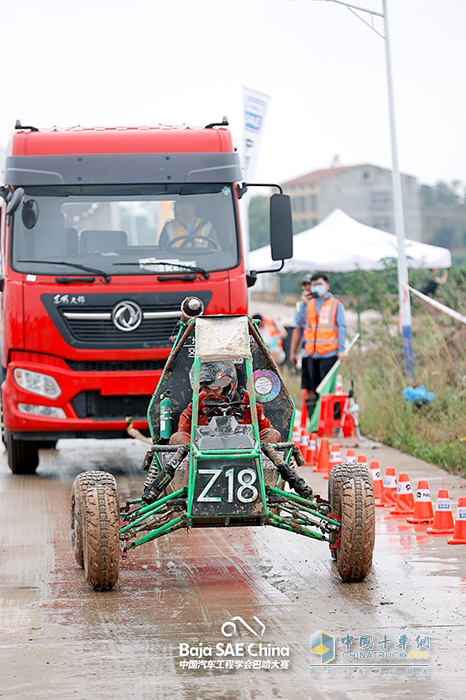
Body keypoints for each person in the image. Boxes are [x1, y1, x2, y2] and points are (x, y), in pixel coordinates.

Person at [169, 360, 280, 445]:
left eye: (217, 387)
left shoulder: (245, 407)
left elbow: (268, 431)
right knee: (177, 438)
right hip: (201, 460)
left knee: (272, 434)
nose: (211, 392)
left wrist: (254, 417)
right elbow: (182, 435)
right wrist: (194, 419)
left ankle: (266, 472)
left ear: (227, 387)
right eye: (206, 388)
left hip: (245, 454)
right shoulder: (190, 411)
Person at [289, 273, 347, 419]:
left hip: (329, 354)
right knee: (310, 388)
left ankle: (330, 421)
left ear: (327, 286)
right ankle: (313, 422)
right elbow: (297, 323)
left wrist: (341, 350)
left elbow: (342, 327)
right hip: (310, 353)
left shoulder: (335, 304)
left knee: (328, 390)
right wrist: (302, 304)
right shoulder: (308, 303)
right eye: (314, 285)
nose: (316, 287)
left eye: (319, 284)